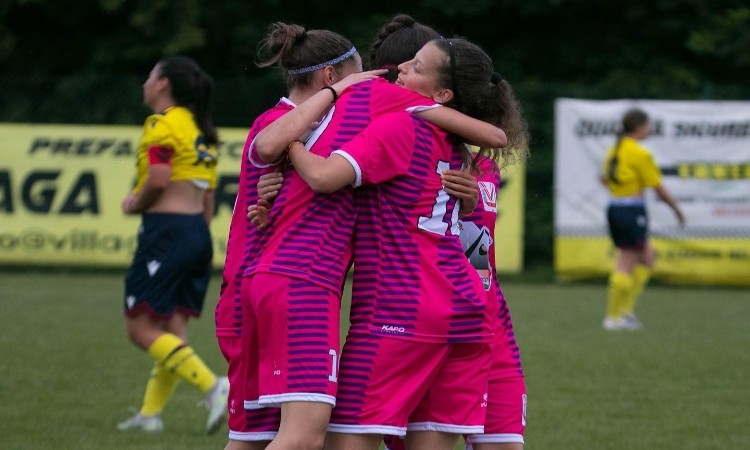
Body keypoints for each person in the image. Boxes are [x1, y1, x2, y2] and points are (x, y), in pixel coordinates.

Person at [285, 37, 529, 450]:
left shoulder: (401, 124)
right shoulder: (457, 141)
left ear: (443, 93)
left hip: (402, 307)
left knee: (344, 442)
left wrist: (291, 143)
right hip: (467, 312)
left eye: (415, 67)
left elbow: (324, 179)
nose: (400, 69)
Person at [212, 22, 368, 450]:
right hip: (271, 290)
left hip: (259, 292)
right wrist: (336, 95)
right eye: (357, 77)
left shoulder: (316, 127)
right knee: (298, 438)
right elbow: (266, 146)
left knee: (253, 439)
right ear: (331, 77)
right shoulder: (280, 121)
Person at [117, 55, 229, 434]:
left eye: (150, 76)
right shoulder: (201, 130)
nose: (145, 82)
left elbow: (159, 177)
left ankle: (214, 387)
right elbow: (209, 197)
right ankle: (150, 415)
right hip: (197, 233)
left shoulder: (162, 125)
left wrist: (135, 201)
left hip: (166, 232)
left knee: (140, 328)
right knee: (172, 328)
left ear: (163, 84)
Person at [600, 108, 685, 331]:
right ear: (638, 127)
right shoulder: (639, 153)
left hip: (617, 208)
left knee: (647, 257)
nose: (650, 129)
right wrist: (677, 210)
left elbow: (604, 179)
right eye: (648, 125)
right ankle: (612, 317)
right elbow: (659, 189)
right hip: (631, 211)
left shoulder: (614, 150)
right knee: (627, 260)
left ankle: (625, 313)